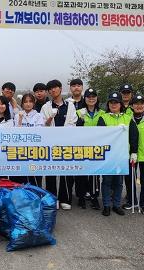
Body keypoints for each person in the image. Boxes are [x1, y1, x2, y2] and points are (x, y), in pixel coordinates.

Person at [97, 91, 138, 217]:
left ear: (120, 104)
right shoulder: (103, 118)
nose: (113, 105)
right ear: (108, 104)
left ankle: (116, 205)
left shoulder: (127, 118)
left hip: (122, 156)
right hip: (108, 156)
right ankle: (107, 205)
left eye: (116, 102)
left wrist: (134, 152)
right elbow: (100, 136)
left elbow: (134, 136)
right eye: (111, 102)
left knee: (119, 182)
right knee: (107, 181)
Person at [41, 79, 77, 210]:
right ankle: (52, 198)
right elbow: (43, 124)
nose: (52, 90)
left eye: (55, 88)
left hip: (66, 143)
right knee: (51, 172)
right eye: (50, 89)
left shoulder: (70, 105)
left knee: (66, 171)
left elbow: (73, 122)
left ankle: (65, 198)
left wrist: (64, 135)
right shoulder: (46, 107)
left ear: (60, 89)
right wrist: (50, 119)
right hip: (51, 144)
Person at [73, 88, 104, 210]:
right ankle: (81, 197)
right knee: (81, 173)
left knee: (94, 174)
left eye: (93, 96)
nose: (91, 99)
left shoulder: (102, 113)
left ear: (97, 98)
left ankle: (94, 197)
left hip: (96, 149)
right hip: (81, 148)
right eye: (88, 96)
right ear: (84, 99)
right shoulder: (79, 112)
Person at [12, 93, 44, 186]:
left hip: (34, 150)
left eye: (30, 101)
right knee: (21, 177)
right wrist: (21, 119)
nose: (28, 104)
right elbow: (16, 134)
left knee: (35, 177)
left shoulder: (38, 116)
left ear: (34, 103)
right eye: (25, 102)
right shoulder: (18, 115)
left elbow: (38, 133)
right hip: (20, 150)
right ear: (22, 104)